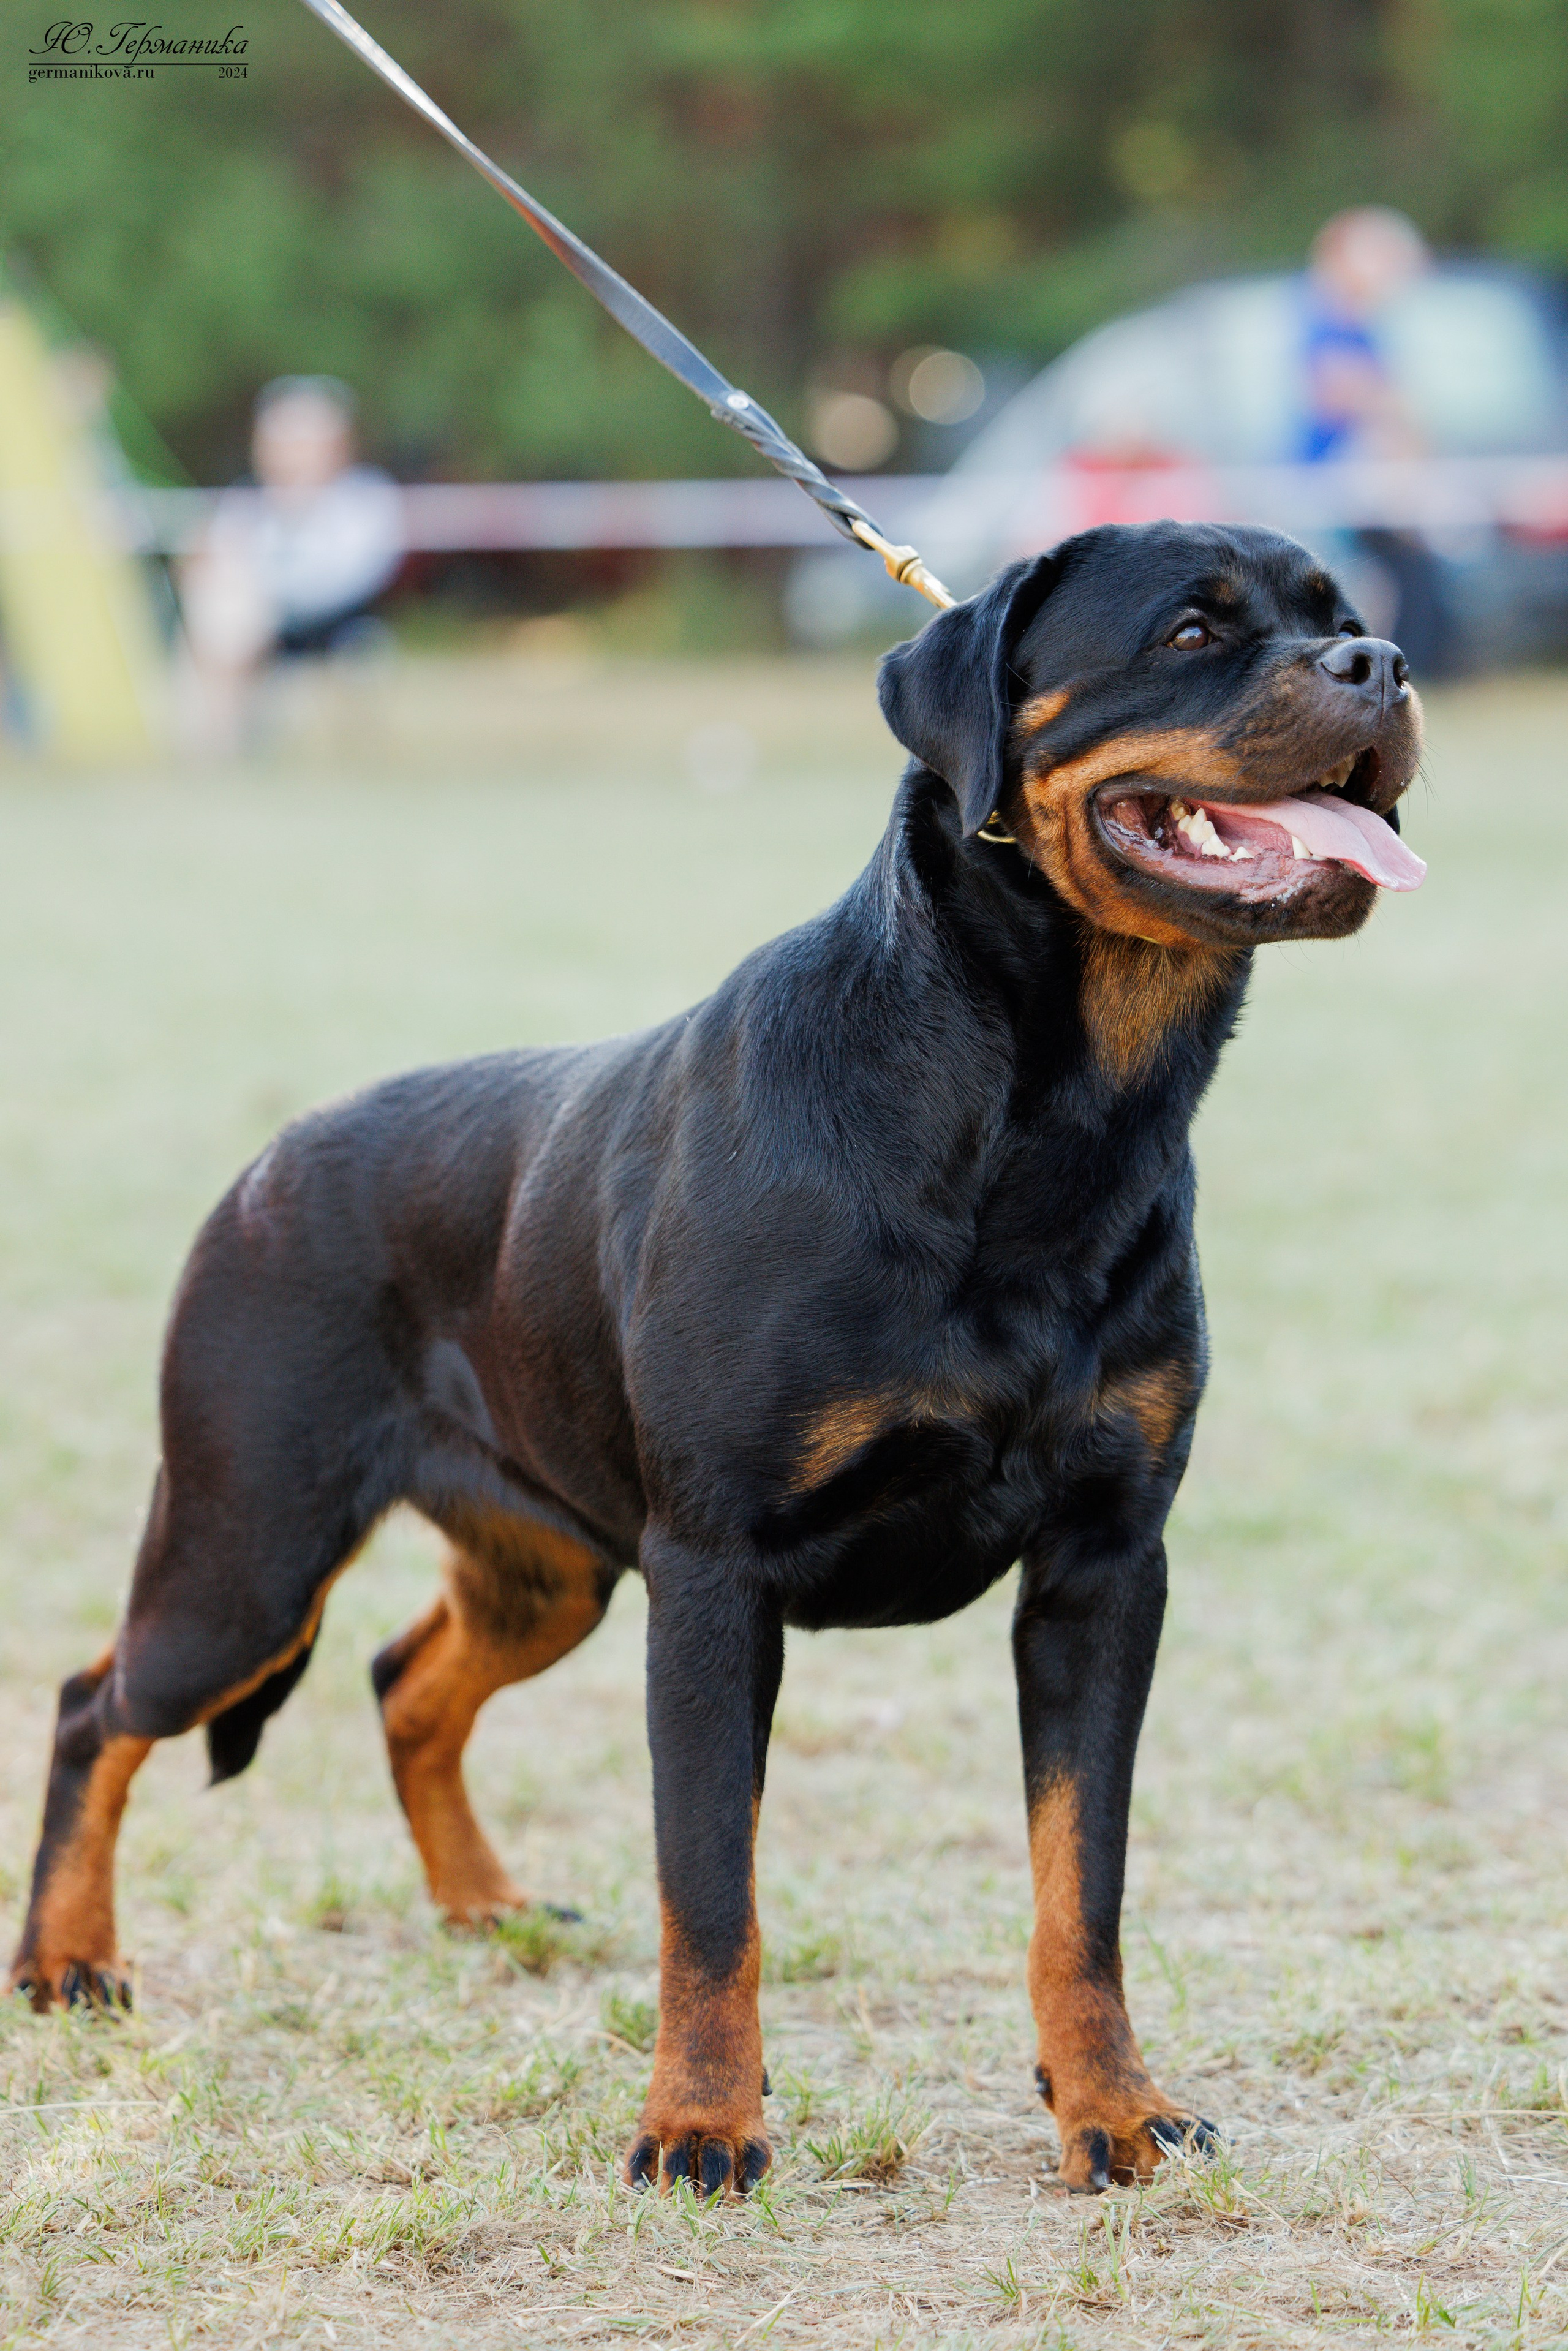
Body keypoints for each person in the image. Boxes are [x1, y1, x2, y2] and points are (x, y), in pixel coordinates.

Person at [177, 376, 404, 753]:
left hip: (336, 625)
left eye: (300, 443)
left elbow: (352, 580)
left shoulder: (366, 497)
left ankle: (216, 744)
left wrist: (264, 593)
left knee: (232, 612)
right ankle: (212, 743)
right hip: (254, 627)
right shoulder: (247, 499)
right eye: (277, 442)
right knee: (219, 610)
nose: (287, 454)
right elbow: (210, 563)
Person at [1298, 207, 1453, 674]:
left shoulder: (1363, 326)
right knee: (1363, 593)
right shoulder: (1327, 321)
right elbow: (1342, 398)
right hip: (1330, 487)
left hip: (1363, 486)